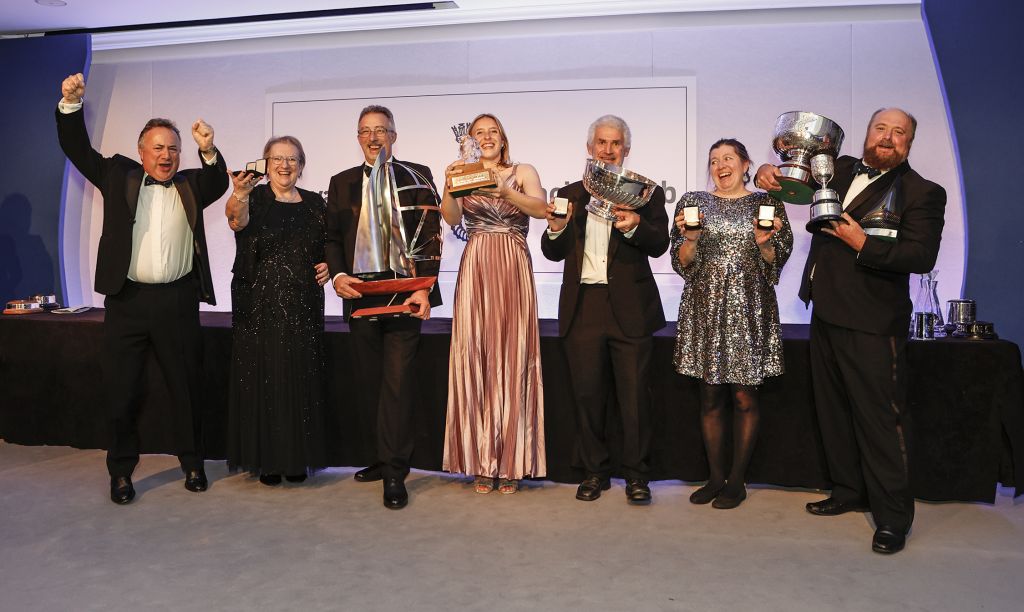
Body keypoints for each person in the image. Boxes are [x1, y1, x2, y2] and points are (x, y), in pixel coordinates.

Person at [754, 107, 946, 553]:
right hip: (825, 313)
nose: (888, 137)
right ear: (867, 134)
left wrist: (863, 243)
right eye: (881, 128)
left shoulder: (923, 191)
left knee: (882, 420)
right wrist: (768, 172)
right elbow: (789, 183)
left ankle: (893, 518)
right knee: (834, 411)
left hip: (874, 323)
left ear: (909, 144)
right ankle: (848, 491)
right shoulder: (834, 168)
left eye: (899, 133)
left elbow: (921, 257)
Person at [55, 73, 228, 504]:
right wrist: (71, 105)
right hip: (127, 301)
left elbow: (220, 180)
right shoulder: (117, 174)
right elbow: (76, 149)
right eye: (158, 147)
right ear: (141, 152)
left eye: (173, 148)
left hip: (178, 300)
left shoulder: (191, 183)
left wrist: (209, 149)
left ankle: (192, 463)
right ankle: (120, 473)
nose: (166, 155)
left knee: (186, 388)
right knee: (122, 389)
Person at [540, 114, 669, 505]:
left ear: (625, 150)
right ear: (590, 147)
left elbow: (659, 242)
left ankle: (637, 476)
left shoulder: (645, 192)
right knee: (587, 396)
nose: (608, 149)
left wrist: (632, 226)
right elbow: (552, 250)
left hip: (629, 308)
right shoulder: (568, 193)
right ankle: (594, 472)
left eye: (615, 144)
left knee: (634, 401)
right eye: (601, 142)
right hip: (584, 308)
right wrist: (556, 228)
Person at [326, 105, 442, 509]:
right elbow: (331, 239)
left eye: (381, 130)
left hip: (407, 295)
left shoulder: (417, 175)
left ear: (394, 135)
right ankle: (380, 457)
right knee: (372, 384)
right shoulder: (340, 183)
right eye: (365, 131)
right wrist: (339, 277)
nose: (374, 138)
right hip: (361, 296)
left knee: (397, 385)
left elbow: (431, 234)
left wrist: (425, 289)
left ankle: (395, 472)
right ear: (358, 138)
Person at [671, 138, 793, 509]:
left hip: (749, 307)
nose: (720, 165)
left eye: (728, 158)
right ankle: (713, 477)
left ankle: (736, 480)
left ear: (745, 165)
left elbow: (776, 260)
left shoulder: (766, 203)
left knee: (743, 395)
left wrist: (764, 243)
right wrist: (690, 239)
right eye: (713, 160)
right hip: (704, 307)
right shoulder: (692, 202)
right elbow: (682, 262)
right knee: (709, 396)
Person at [440, 113, 547, 495]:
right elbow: (451, 217)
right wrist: (449, 185)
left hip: (513, 263)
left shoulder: (522, 170)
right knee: (477, 355)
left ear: (503, 139)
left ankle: (513, 462)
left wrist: (506, 192)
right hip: (477, 263)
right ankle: (482, 461)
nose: (486, 137)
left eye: (492, 132)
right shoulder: (464, 173)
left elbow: (541, 209)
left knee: (513, 357)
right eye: (478, 133)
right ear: (470, 140)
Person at [225, 136, 331, 486]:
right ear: (265, 164)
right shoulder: (252, 198)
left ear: (302, 165)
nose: (285, 165)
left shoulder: (317, 203)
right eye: (277, 158)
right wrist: (239, 193)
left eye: (292, 159)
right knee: (264, 378)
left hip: (303, 303)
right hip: (258, 302)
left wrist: (332, 263)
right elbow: (235, 221)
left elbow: (334, 242)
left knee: (299, 377)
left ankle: (296, 457)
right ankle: (267, 460)